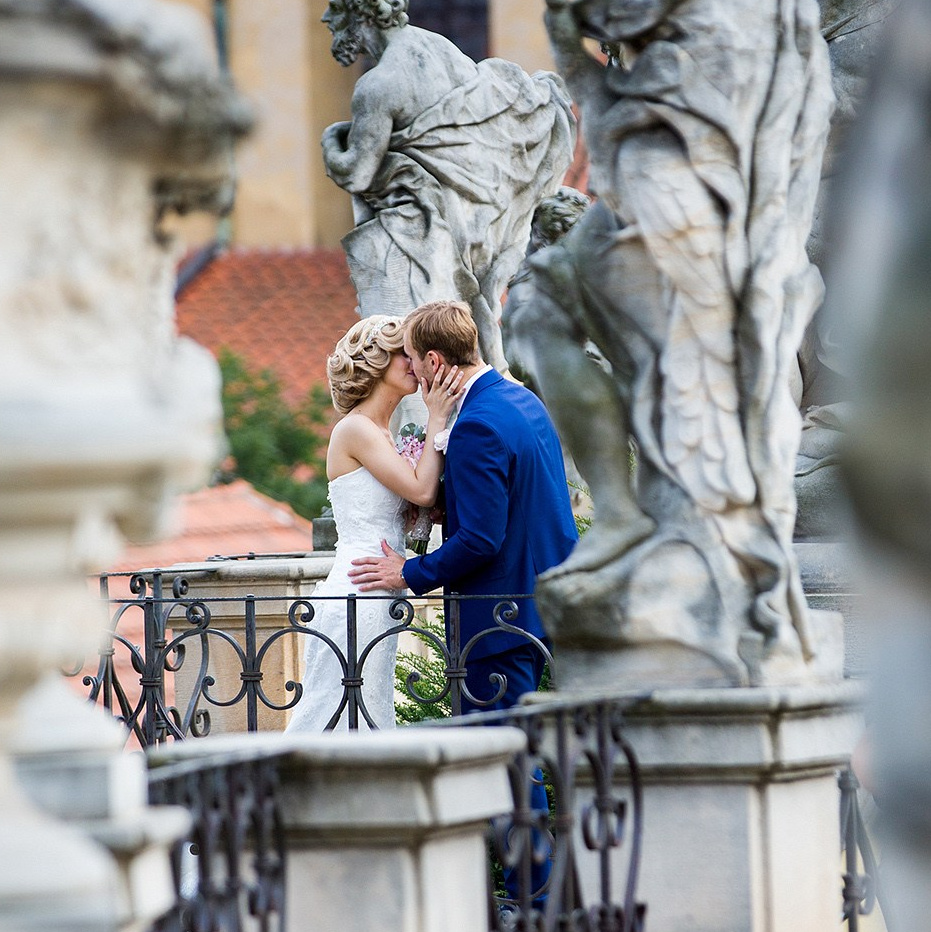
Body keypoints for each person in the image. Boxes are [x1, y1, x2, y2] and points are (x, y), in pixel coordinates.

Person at [347, 300, 578, 905]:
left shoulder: (476, 424)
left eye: (416, 364)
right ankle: (541, 893)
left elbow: (481, 538)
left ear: (432, 360)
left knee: (501, 761)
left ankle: (535, 899)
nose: (417, 378)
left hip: (495, 619)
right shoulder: (520, 400)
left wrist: (408, 572)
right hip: (537, 603)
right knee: (520, 754)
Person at [320, 0, 574, 371]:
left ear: (360, 13)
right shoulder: (439, 48)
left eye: (335, 9)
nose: (327, 19)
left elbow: (357, 171)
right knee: (451, 346)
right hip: (469, 226)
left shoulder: (378, 85)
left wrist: (331, 139)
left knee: (409, 352)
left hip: (415, 236)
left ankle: (418, 428)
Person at [285, 314, 463, 733]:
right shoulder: (356, 430)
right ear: (377, 361)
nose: (414, 362)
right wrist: (436, 416)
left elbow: (418, 500)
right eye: (404, 352)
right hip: (359, 587)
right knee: (337, 707)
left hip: (382, 588)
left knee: (370, 705)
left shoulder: (384, 434)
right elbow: (420, 490)